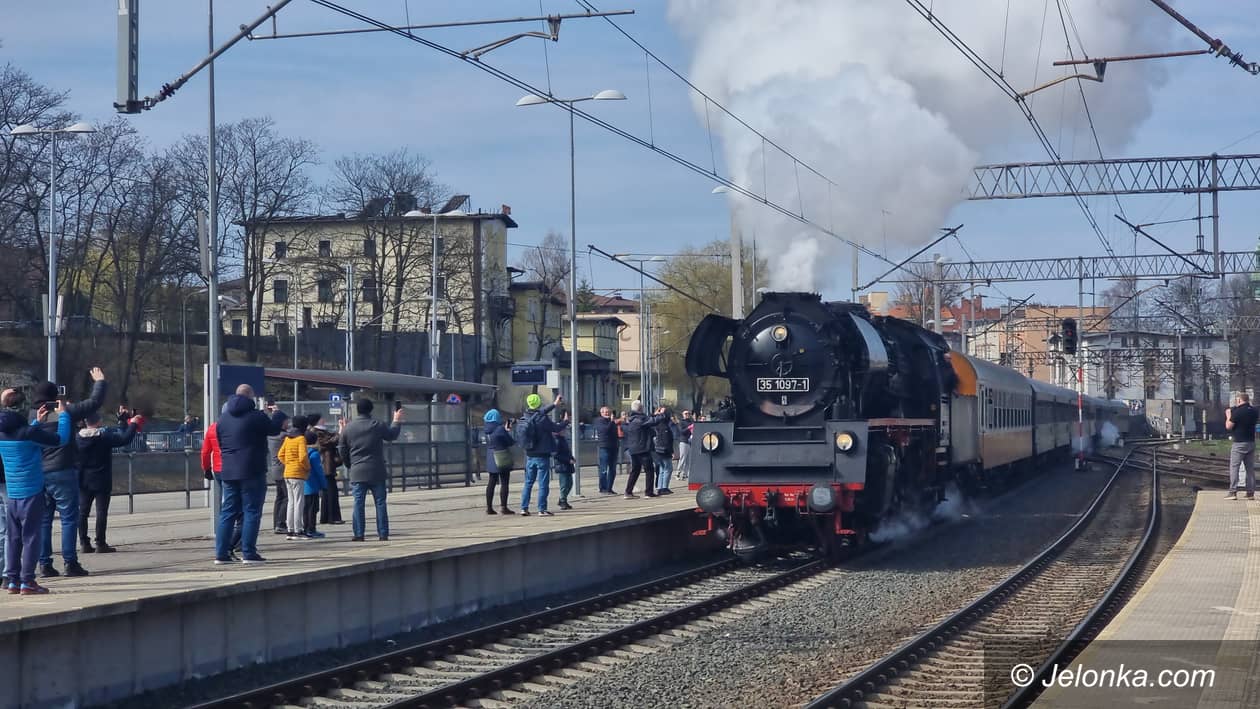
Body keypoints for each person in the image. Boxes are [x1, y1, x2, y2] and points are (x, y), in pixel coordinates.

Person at [34, 367, 107, 579]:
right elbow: (94, 403)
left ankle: (45, 564)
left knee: (44, 520)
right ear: (54, 396)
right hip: (63, 470)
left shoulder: (33, 416)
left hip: (40, 474)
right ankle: (70, 562)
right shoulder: (64, 412)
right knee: (68, 518)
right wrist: (100, 382)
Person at [0, 391, 69, 595]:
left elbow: (22, 437)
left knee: (13, 537)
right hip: (31, 491)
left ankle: (12, 580)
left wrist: (36, 424)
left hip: (12, 494)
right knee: (31, 537)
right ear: (22, 408)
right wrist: (63, 415)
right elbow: (61, 439)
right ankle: (28, 581)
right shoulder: (28, 433)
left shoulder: (4, 431)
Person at [215, 384, 286, 564]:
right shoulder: (256, 416)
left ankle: (221, 554)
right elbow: (274, 430)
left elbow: (221, 442)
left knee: (228, 512)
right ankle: (249, 552)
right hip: (252, 469)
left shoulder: (222, 419)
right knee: (251, 511)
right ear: (250, 397)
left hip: (229, 470)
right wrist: (277, 414)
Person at [338, 398, 403, 542]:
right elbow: (392, 435)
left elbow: (341, 449)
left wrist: (350, 464)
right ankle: (383, 533)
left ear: (358, 410)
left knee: (358, 503)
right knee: (380, 502)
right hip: (376, 470)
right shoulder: (377, 424)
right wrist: (396, 420)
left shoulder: (348, 427)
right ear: (370, 409)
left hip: (357, 470)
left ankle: (359, 534)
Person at [76, 411, 139, 554]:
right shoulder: (103, 437)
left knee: (83, 512)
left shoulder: (77, 438)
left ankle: (84, 543)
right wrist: (132, 423)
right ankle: (100, 543)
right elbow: (124, 439)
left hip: (83, 479)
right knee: (101, 511)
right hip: (101, 479)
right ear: (99, 421)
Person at [517, 393, 568, 517]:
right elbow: (556, 428)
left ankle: (524, 508)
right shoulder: (542, 419)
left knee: (528, 482)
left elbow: (541, 412)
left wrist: (554, 404)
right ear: (539, 403)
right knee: (543, 483)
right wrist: (565, 422)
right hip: (542, 455)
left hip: (529, 454)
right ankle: (542, 509)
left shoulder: (524, 417)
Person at [201, 418, 241, 560]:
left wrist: (206, 468)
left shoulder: (212, 428)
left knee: (227, 506)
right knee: (238, 510)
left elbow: (206, 451)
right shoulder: (236, 426)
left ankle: (229, 544)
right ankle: (232, 544)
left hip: (217, 469)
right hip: (234, 470)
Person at [622, 401, 670, 499]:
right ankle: (648, 492)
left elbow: (648, 420)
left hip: (633, 448)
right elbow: (652, 421)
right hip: (642, 448)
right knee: (649, 469)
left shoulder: (632, 419)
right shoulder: (640, 420)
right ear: (641, 408)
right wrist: (662, 414)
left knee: (635, 470)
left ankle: (628, 492)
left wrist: (654, 415)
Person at [278, 415, 311, 540]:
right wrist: (307, 467)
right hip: (298, 474)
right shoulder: (301, 439)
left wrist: (289, 463)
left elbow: (280, 454)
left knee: (291, 502)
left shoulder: (288, 438)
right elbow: (303, 457)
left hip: (287, 473)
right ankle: (298, 530)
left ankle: (290, 530)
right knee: (299, 502)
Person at [1225, 393, 1259, 500]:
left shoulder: (1237, 412)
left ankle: (1233, 492)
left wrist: (1228, 415)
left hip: (1239, 443)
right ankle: (1250, 493)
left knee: (1234, 467)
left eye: (1237, 400)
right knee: (1250, 469)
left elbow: (1228, 426)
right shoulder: (1254, 411)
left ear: (1239, 400)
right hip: (1251, 442)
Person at [482, 409, 516, 515]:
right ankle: (503, 507)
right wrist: (508, 431)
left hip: (490, 456)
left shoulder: (486, 429)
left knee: (491, 482)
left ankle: (489, 507)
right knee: (504, 482)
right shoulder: (500, 429)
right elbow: (510, 442)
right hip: (501, 456)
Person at [265, 398, 291, 535]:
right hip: (282, 468)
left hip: (275, 469)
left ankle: (277, 523)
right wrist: (278, 412)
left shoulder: (271, 435)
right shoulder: (283, 436)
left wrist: (276, 411)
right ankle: (281, 523)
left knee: (279, 497)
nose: (288, 423)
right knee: (286, 497)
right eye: (286, 421)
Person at [314, 422, 344, 524]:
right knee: (331, 492)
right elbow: (330, 442)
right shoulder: (317, 433)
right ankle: (333, 517)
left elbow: (332, 437)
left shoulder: (322, 432)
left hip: (327, 465)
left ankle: (325, 517)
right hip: (325, 466)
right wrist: (340, 431)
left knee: (328, 493)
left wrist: (340, 429)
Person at [302, 430, 326, 538]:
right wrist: (324, 485)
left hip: (303, 484)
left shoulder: (302, 451)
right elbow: (319, 471)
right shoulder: (314, 454)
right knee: (313, 508)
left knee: (305, 509)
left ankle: (305, 527)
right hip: (313, 485)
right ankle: (311, 529)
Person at [592, 406, 622, 494]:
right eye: (605, 412)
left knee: (612, 469)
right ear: (601, 413)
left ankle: (609, 488)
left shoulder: (611, 422)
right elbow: (605, 430)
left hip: (614, 447)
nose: (607, 413)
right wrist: (612, 422)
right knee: (604, 469)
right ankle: (603, 487)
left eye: (608, 412)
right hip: (604, 447)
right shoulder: (599, 421)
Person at [652, 411, 675, 495]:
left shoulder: (657, 426)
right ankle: (664, 487)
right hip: (664, 450)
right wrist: (671, 451)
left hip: (657, 450)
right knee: (668, 469)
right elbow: (667, 441)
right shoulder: (665, 427)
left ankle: (659, 487)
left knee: (661, 469)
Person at [553, 430, 575, 510]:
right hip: (562, 465)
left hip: (567, 465)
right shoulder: (557, 440)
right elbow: (556, 455)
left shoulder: (562, 439)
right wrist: (568, 460)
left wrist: (571, 458)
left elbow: (567, 452)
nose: (564, 431)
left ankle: (563, 499)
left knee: (569, 483)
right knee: (564, 484)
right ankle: (562, 500)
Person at [676, 410, 694, 481]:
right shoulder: (681, 422)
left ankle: (685, 475)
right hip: (683, 441)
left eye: (689, 413)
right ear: (683, 415)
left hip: (690, 442)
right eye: (686, 413)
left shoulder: (691, 421)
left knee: (688, 460)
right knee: (682, 458)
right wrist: (689, 428)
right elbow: (681, 431)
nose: (687, 415)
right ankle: (677, 473)